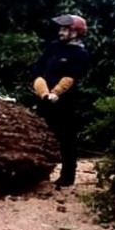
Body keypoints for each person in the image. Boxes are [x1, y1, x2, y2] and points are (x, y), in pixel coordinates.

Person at [31, 14, 91, 187]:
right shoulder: (53, 47)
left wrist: (57, 93)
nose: (61, 32)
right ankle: (39, 172)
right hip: (45, 98)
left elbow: (71, 77)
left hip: (66, 102)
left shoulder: (81, 54)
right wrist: (42, 90)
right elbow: (38, 68)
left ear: (76, 32)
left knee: (66, 139)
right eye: (61, 29)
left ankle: (67, 175)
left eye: (65, 29)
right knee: (40, 136)